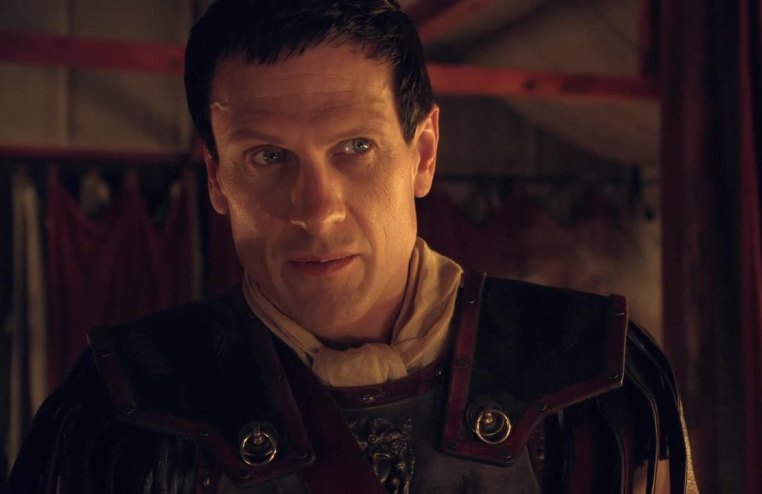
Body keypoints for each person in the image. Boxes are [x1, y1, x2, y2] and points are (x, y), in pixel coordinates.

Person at [8, 0, 697, 492]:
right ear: (217, 179)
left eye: (355, 147)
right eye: (267, 157)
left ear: (422, 153)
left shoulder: (593, 382)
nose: (317, 211)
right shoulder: (122, 406)